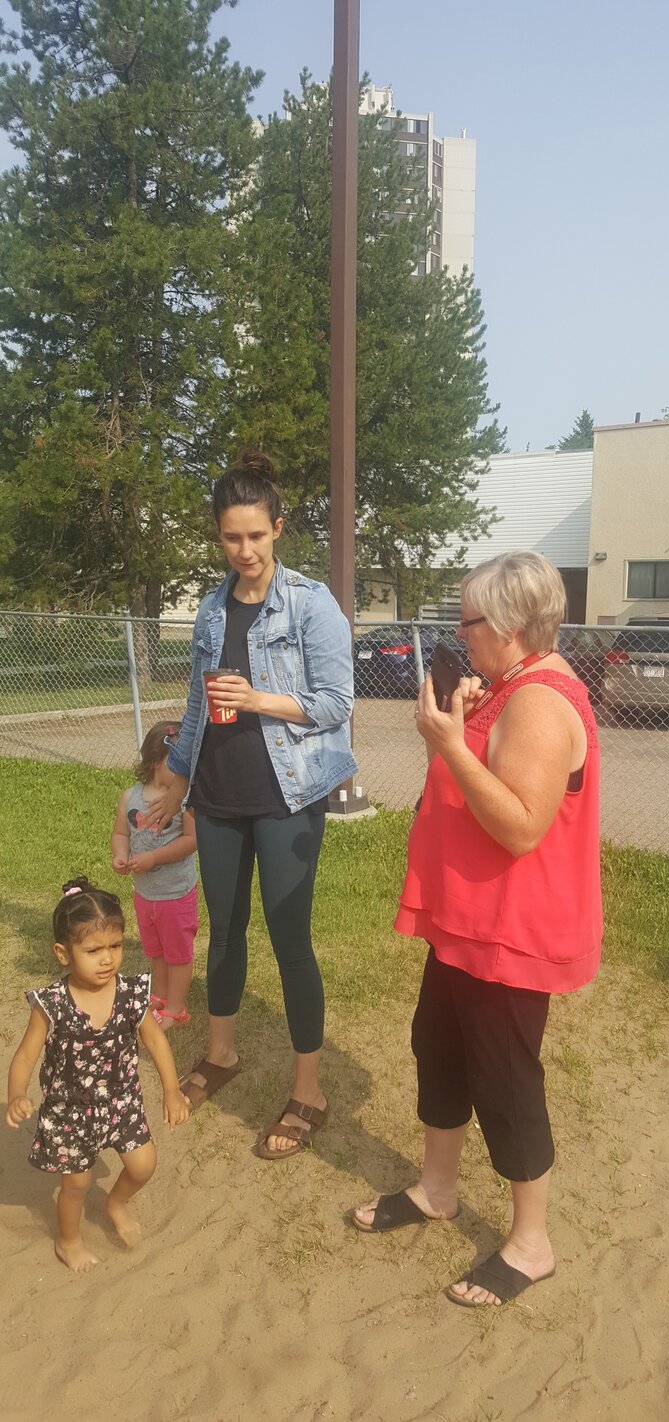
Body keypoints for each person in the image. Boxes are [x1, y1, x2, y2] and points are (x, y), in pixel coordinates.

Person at [352, 551, 603, 1307]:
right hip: (467, 923)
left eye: (465, 623)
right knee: (441, 1050)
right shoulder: (505, 688)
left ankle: (532, 1244)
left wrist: (451, 746)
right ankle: (437, 1188)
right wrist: (458, 723)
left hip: (511, 933)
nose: (459, 638)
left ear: (508, 626)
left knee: (506, 1080)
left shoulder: (541, 703)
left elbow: (523, 827)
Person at [144, 448, 356, 1160]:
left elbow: (336, 704)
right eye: (232, 538)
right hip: (220, 796)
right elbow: (197, 710)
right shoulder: (210, 606)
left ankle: (309, 1092)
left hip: (286, 797)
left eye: (257, 537)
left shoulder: (310, 603)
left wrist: (261, 697)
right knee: (225, 932)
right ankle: (224, 1054)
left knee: (289, 941)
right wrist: (176, 777)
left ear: (278, 528)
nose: (245, 551)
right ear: (218, 535)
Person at [5, 877, 189, 1274]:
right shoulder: (52, 1005)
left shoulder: (129, 993)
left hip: (122, 1099)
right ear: (63, 953)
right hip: (70, 1111)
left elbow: (156, 1043)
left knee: (143, 1165)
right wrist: (17, 1092)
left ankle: (116, 1202)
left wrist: (172, 1091)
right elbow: (24, 1056)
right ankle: (67, 1239)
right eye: (93, 950)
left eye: (115, 946)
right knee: (76, 1184)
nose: (107, 959)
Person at [111, 720, 198, 1029]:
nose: (182, 771)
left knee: (177, 953)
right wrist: (121, 855)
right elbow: (121, 833)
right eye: (176, 763)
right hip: (145, 895)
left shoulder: (184, 802)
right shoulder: (131, 797)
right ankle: (160, 995)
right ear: (154, 762)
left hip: (176, 894)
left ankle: (176, 1007)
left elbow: (191, 842)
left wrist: (153, 858)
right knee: (156, 950)